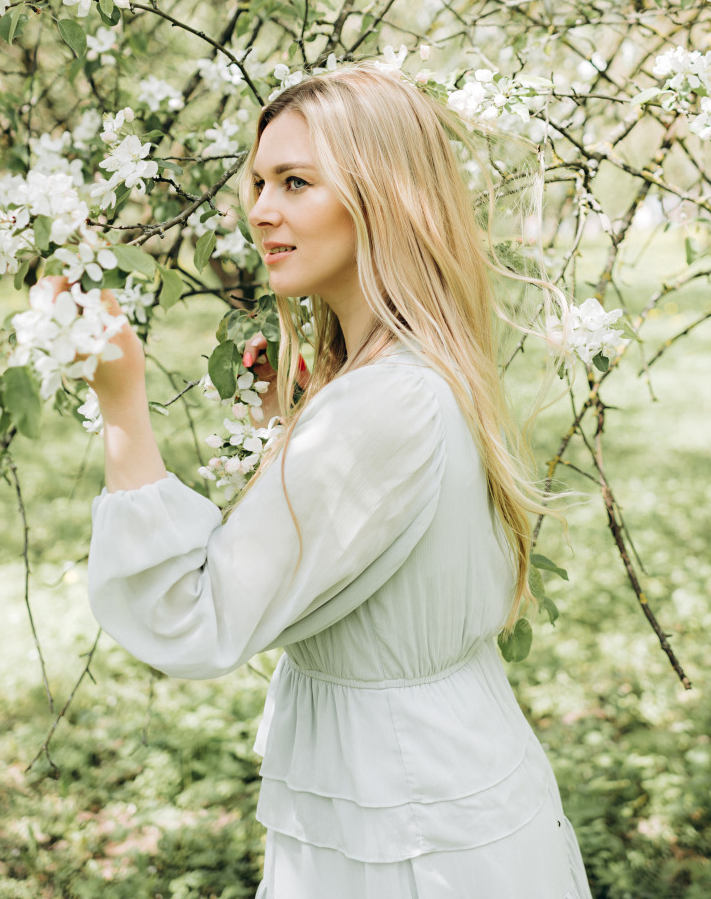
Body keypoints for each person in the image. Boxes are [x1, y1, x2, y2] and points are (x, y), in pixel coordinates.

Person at [69, 62, 593, 898]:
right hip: (425, 787)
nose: (260, 209)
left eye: (296, 182)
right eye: (257, 182)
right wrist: (290, 435)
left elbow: (197, 619)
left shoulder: (381, 407)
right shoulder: (401, 380)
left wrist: (122, 405)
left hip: (406, 823)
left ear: (380, 197)